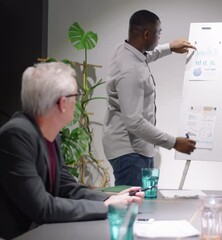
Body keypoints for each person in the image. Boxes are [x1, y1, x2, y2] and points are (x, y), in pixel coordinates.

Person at [0, 62, 145, 239]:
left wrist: (107, 198)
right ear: (63, 103)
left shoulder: (49, 134)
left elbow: (67, 188)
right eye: (76, 95)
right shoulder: (16, 135)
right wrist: (107, 207)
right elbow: (42, 208)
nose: (77, 101)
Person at [103, 9, 196, 186]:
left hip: (131, 148)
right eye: (158, 33)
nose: (160, 36)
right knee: (132, 208)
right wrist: (174, 142)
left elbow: (144, 57)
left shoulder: (123, 50)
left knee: (139, 205)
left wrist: (169, 47)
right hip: (130, 152)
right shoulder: (131, 72)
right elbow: (134, 122)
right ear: (147, 34)